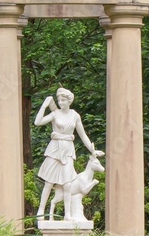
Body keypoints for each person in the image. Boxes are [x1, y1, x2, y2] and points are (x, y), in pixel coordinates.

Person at [34, 87, 103, 217]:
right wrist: (44, 105)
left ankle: (68, 214)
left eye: (63, 100)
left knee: (67, 183)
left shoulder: (75, 116)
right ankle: (41, 210)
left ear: (69, 101)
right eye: (59, 100)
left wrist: (93, 150)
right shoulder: (55, 114)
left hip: (68, 150)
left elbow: (83, 136)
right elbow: (37, 122)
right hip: (54, 149)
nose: (60, 102)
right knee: (49, 182)